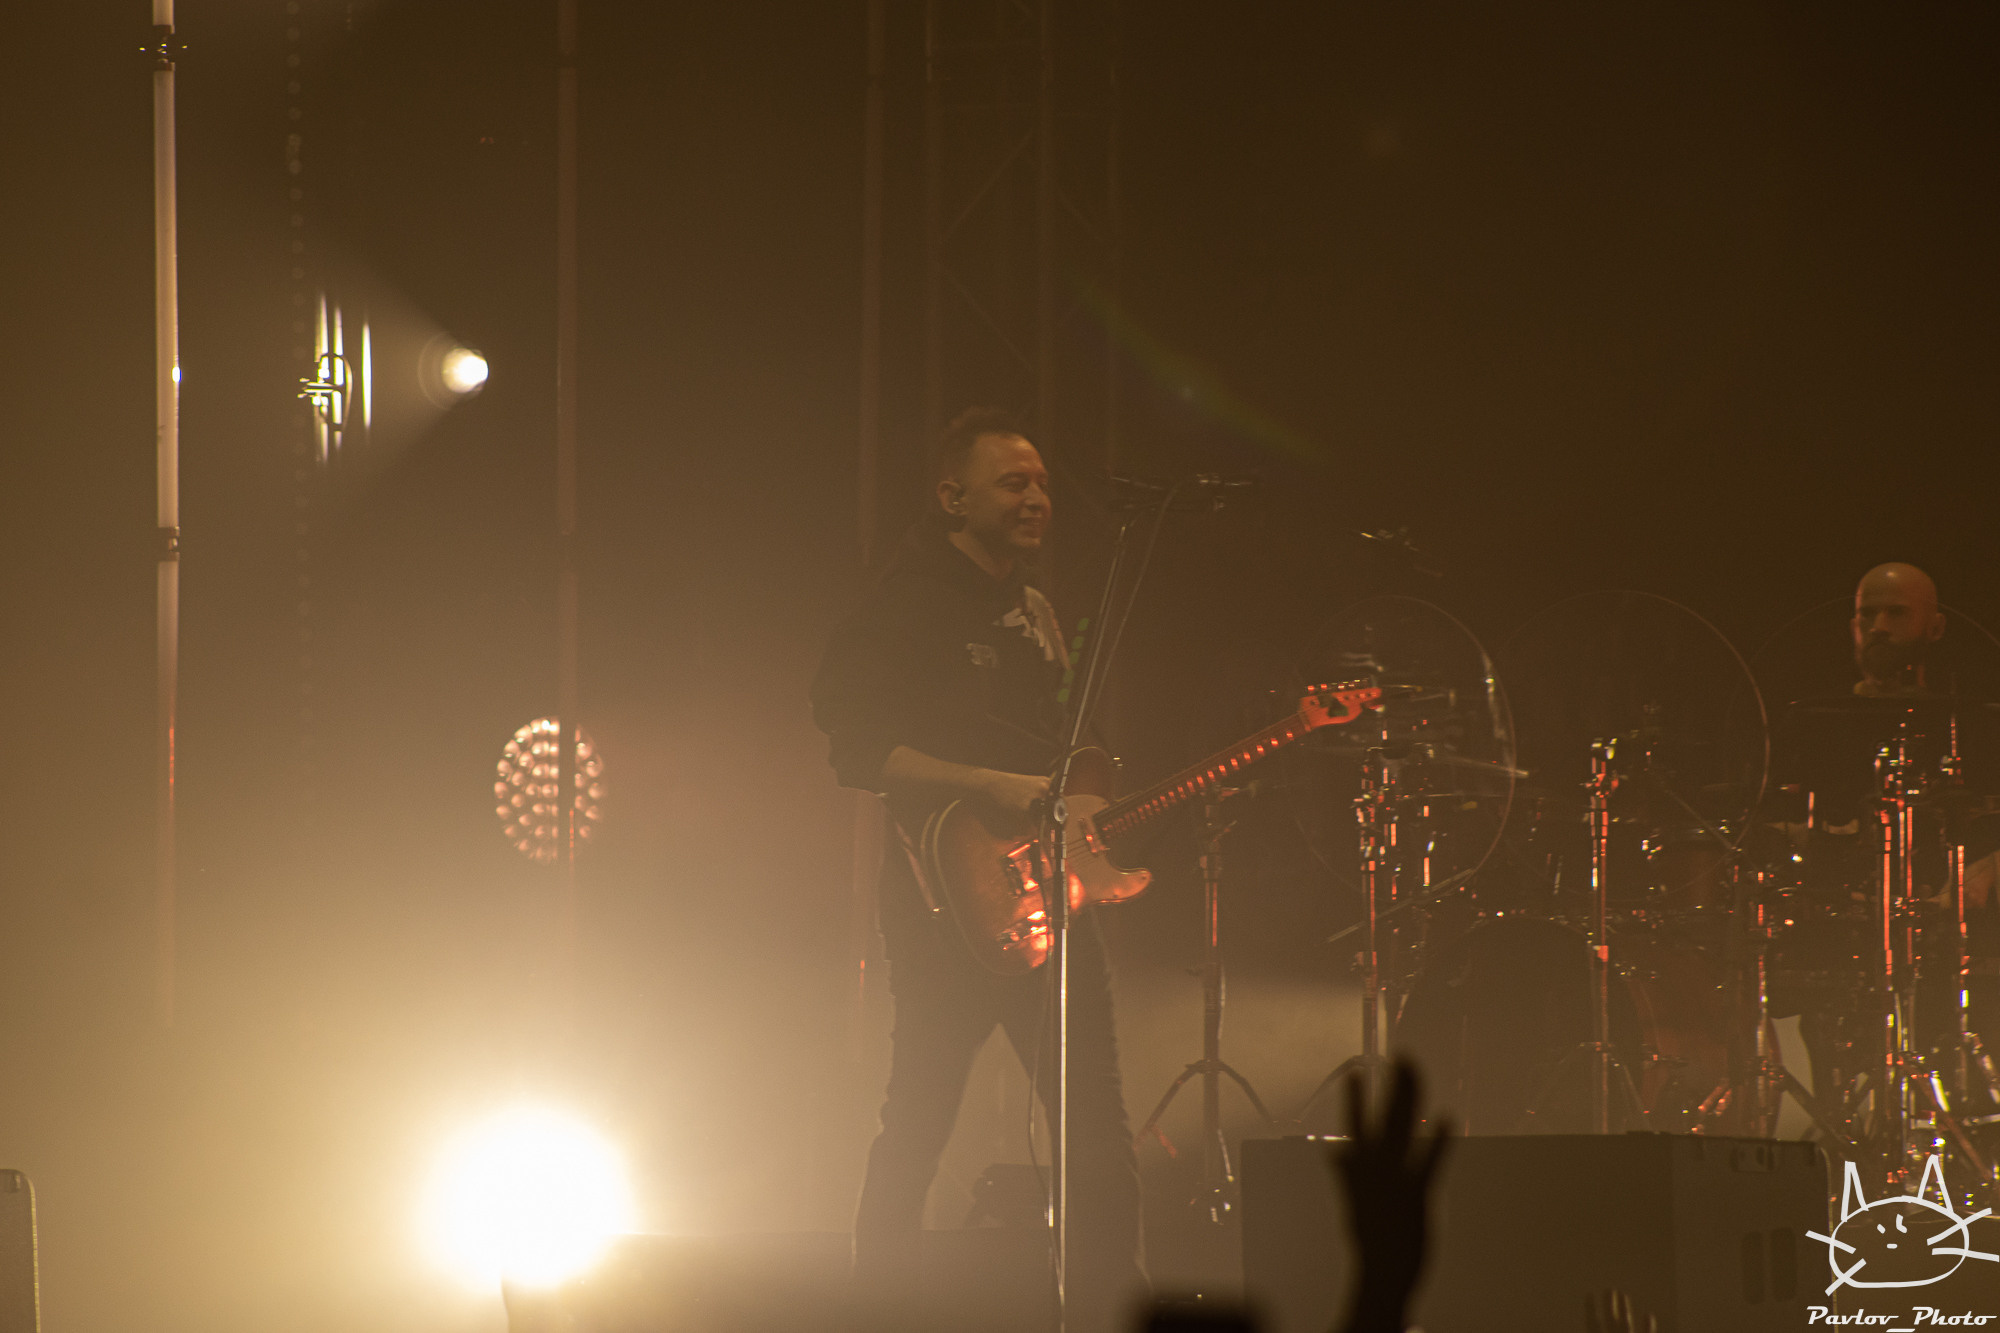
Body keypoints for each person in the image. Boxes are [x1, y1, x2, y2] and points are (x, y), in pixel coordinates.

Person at [811, 408, 1145, 1330]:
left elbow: (1067, 746)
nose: (1037, 498)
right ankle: (871, 1316)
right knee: (917, 1120)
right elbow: (859, 750)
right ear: (953, 497)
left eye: (1041, 482)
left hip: (1044, 896)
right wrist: (990, 784)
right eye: (1013, 483)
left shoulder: (1035, 610)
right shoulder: (904, 603)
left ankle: (1113, 1313)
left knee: (1097, 1132)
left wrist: (1087, 806)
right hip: (939, 906)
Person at [1852, 561, 1947, 698]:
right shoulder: (1828, 714)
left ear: (1936, 628)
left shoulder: (1958, 714)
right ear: (1854, 628)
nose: (1878, 628)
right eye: (1867, 614)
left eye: (1897, 612)